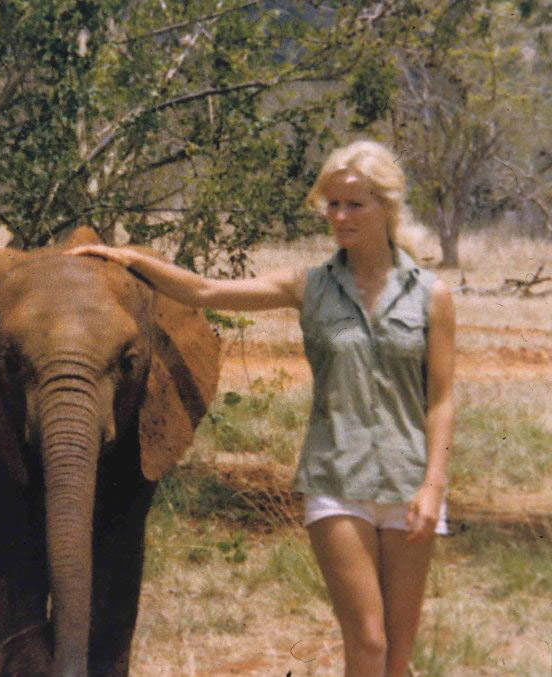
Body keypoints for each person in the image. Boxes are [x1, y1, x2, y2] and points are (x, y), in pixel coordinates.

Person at [69, 139, 455, 677]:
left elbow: (441, 396)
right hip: (336, 479)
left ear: (386, 207)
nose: (339, 216)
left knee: (397, 658)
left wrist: (433, 485)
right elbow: (205, 291)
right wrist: (131, 259)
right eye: (332, 205)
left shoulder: (430, 295)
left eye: (353, 204)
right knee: (367, 644)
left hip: (410, 482)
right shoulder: (311, 285)